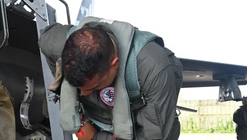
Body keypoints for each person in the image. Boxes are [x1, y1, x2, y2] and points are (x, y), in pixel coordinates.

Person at [40, 16, 183, 140]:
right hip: (98, 119)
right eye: (79, 88)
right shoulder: (55, 44)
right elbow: (45, 39)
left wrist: (95, 137)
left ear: (115, 64)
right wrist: (70, 101)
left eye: (94, 86)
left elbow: (154, 137)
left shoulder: (154, 70)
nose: (83, 94)